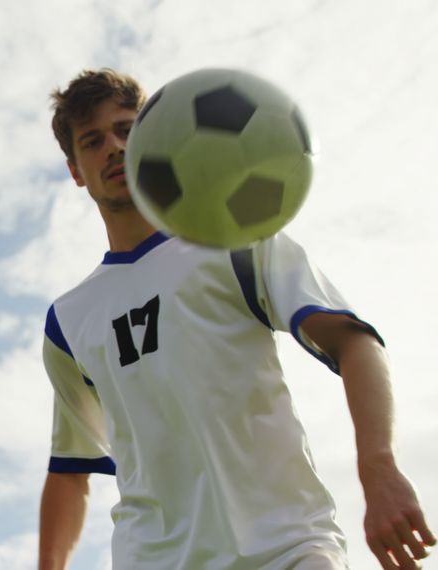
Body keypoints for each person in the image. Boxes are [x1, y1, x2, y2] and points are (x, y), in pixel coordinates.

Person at [37, 68, 434, 570]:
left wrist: (379, 468)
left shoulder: (236, 236)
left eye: (126, 130)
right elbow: (71, 469)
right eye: (92, 141)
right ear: (75, 169)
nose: (114, 148)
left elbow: (355, 343)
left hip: (288, 549)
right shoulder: (68, 320)